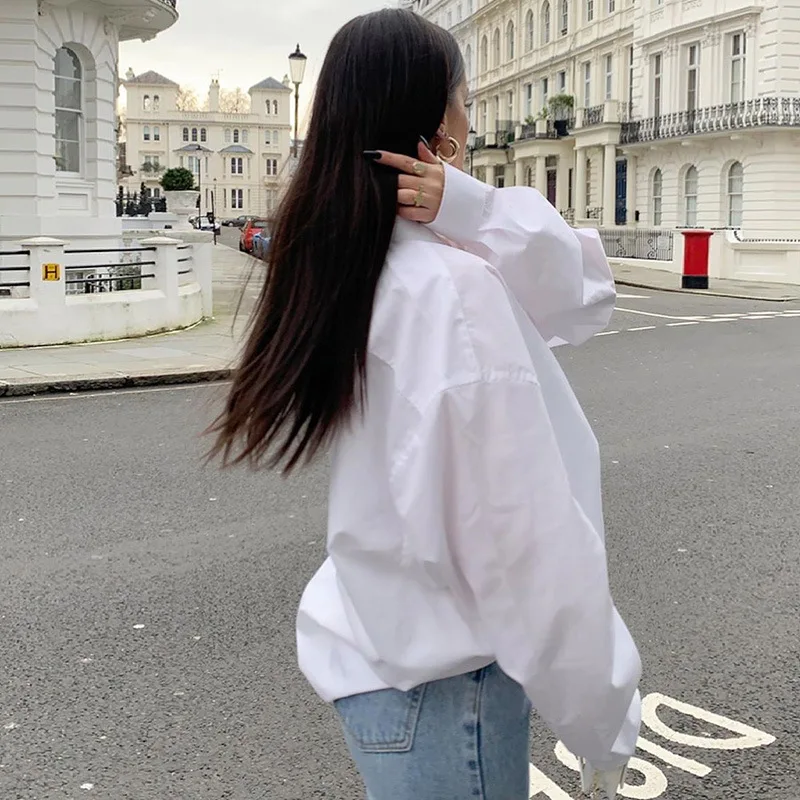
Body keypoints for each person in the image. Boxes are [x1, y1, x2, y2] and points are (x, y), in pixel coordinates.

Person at [208, 8, 642, 800]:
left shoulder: (353, 260)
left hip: (377, 656)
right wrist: (603, 721)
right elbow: (523, 543)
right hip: (449, 694)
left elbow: (580, 294)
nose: (472, 121)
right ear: (437, 122)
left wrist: (471, 207)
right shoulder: (451, 289)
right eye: (466, 101)